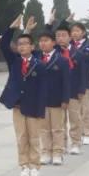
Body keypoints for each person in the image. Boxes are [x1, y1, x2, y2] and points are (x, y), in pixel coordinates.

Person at [0, 16, 46, 176]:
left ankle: (35, 165)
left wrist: (41, 108)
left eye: (26, 44)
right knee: (21, 137)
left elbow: (42, 88)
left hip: (33, 106)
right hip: (18, 105)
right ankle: (24, 165)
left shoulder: (39, 64)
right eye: (20, 44)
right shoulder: (14, 62)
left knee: (34, 136)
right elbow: (4, 45)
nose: (23, 47)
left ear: (32, 47)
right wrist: (11, 29)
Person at [36, 29, 71, 166]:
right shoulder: (37, 59)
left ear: (53, 43)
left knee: (57, 128)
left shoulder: (62, 60)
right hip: (41, 100)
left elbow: (67, 81)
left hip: (56, 100)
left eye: (46, 41)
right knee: (43, 129)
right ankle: (46, 152)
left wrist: (65, 99)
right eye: (41, 41)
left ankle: (57, 153)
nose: (43, 44)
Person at [53, 20, 84, 155]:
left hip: (73, 91)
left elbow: (82, 73)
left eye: (63, 35)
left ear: (69, 37)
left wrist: (81, 90)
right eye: (58, 35)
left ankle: (76, 142)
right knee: (59, 121)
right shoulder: (53, 54)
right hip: (57, 92)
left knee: (74, 118)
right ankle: (62, 144)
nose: (60, 38)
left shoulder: (77, 53)